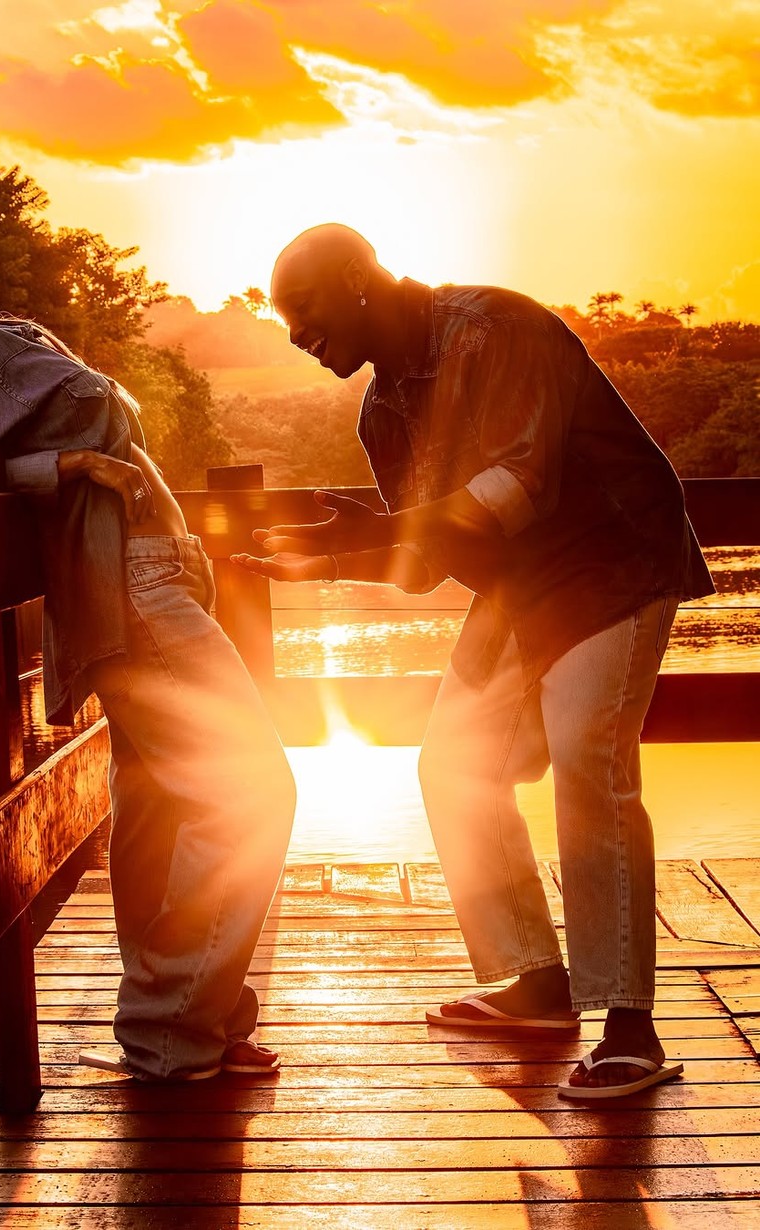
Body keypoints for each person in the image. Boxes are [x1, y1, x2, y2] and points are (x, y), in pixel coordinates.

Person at [233, 223, 714, 1099]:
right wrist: (329, 556)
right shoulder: (382, 410)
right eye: (284, 323)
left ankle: (629, 1026)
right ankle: (537, 982)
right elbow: (421, 564)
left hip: (613, 561)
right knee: (453, 763)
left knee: (588, 763)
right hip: (523, 587)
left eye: (303, 310)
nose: (296, 335)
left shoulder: (494, 327)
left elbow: (516, 486)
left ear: (357, 277)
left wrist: (380, 533)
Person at [0, 237, 295, 1082]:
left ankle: (189, 1018)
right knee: (253, 787)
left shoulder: (4, 334)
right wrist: (69, 462)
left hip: (153, 570)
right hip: (132, 585)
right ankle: (174, 1022)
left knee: (159, 805)